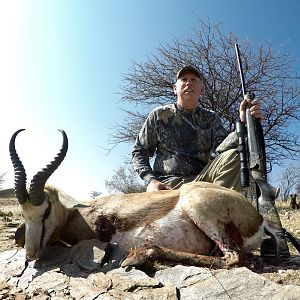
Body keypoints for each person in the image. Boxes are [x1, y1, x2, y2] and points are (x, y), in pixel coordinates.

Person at [132, 65, 263, 192]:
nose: (189, 83)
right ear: (175, 88)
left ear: (202, 90)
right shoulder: (159, 115)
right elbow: (139, 151)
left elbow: (222, 150)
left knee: (234, 155)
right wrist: (150, 180)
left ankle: (220, 205)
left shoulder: (211, 118)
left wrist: (244, 124)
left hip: (203, 183)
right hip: (168, 184)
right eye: (184, 80)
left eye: (194, 80)